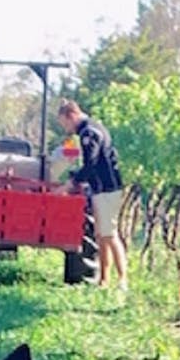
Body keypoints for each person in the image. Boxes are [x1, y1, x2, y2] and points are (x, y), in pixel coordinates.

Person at [57, 100, 128, 288]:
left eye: (65, 123)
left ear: (72, 116)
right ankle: (104, 279)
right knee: (101, 235)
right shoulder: (90, 129)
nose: (66, 129)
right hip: (100, 188)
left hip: (107, 188)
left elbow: (91, 164)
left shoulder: (89, 133)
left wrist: (70, 184)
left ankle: (122, 280)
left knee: (109, 234)